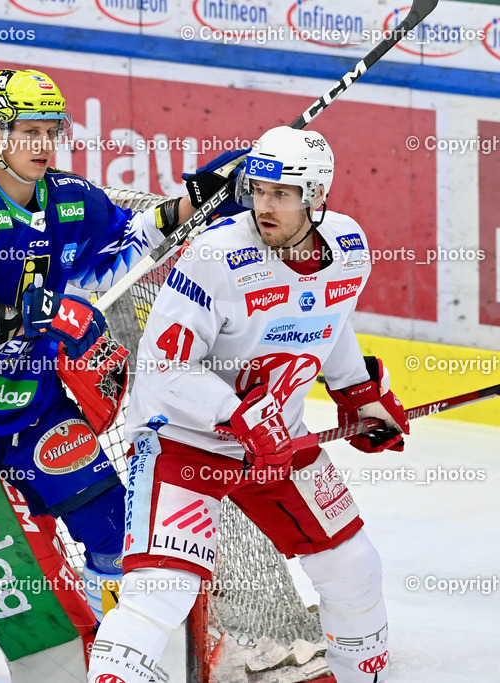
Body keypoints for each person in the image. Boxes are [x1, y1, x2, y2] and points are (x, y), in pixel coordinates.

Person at [0, 68, 230, 677]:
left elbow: (121, 252)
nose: (44, 144)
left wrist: (191, 203)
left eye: (52, 130)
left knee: (114, 533)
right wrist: (25, 313)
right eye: (29, 131)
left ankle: (110, 659)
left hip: (33, 405)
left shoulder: (71, 197)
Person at [87, 126, 409, 683]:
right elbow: (164, 370)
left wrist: (358, 394)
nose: (264, 204)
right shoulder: (217, 255)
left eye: (280, 194)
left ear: (316, 196)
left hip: (278, 443)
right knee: (161, 590)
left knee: (353, 566)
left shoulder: (349, 247)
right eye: (257, 190)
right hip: (185, 441)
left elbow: (328, 323)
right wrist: (240, 414)